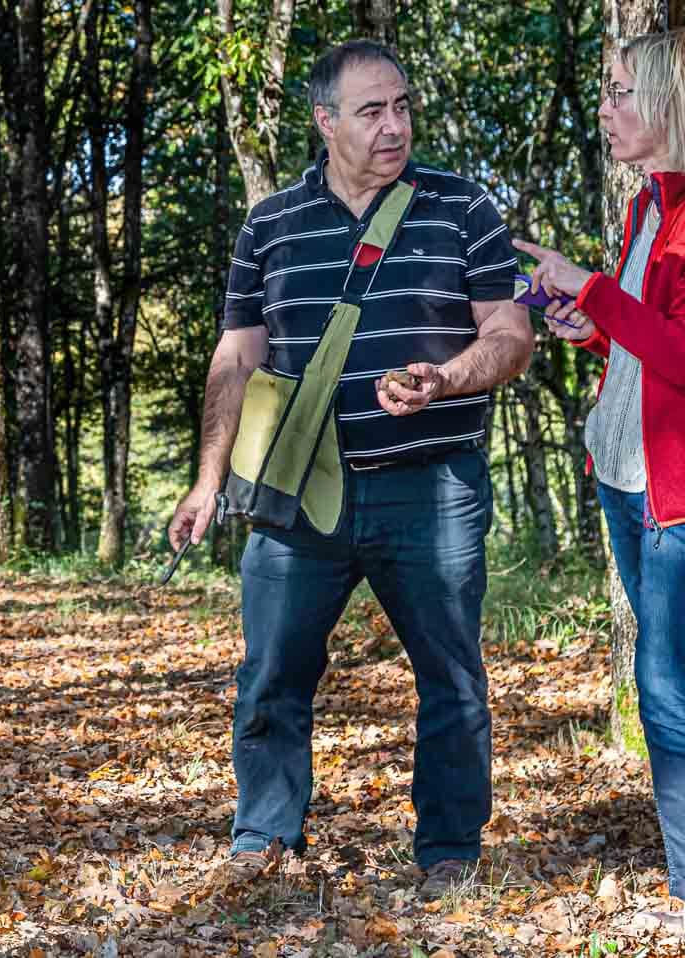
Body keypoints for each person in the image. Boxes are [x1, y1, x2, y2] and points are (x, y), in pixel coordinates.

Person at [167, 39, 532, 895]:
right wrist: (209, 476)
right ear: (324, 120)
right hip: (297, 499)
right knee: (270, 674)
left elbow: (510, 334)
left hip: (432, 488)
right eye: (372, 111)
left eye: (402, 106)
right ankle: (263, 837)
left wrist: (447, 378)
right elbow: (236, 356)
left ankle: (448, 853)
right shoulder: (271, 224)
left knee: (452, 678)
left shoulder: (462, 207)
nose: (394, 125)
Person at [512, 29, 685, 958]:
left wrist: (596, 288)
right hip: (626, 479)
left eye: (623, 91)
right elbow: (641, 344)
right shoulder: (648, 210)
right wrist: (586, 318)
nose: (608, 107)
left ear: (672, 102)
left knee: (665, 684)